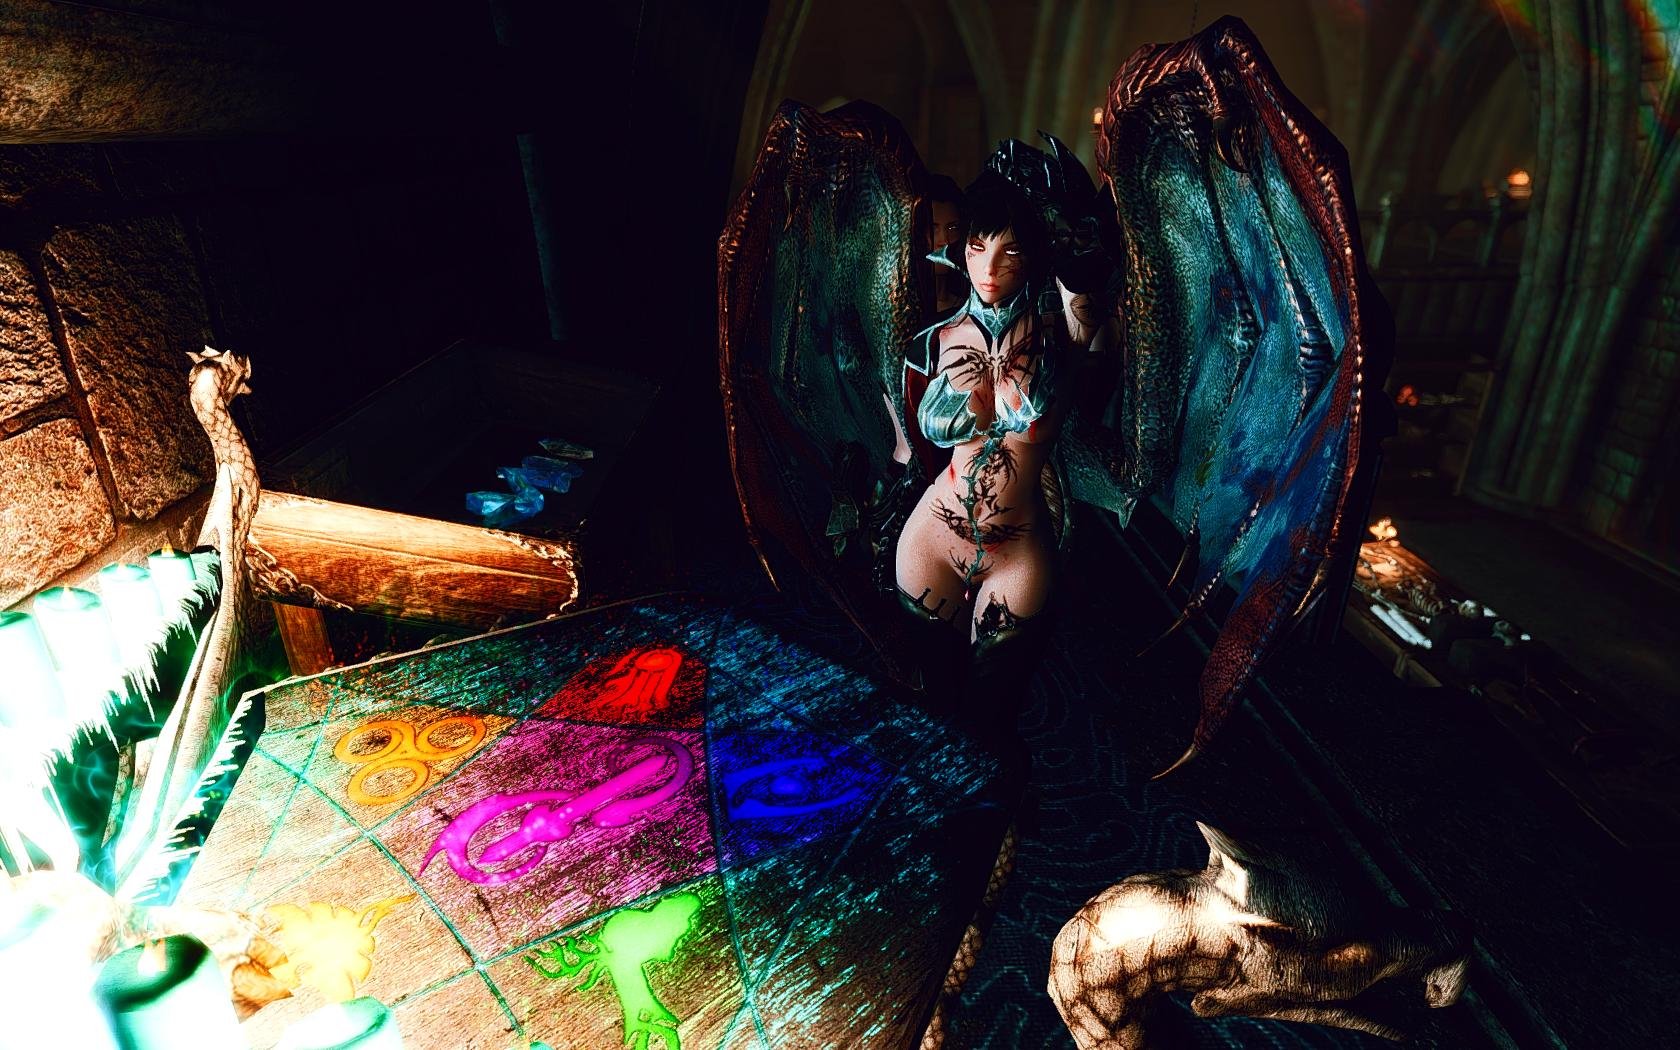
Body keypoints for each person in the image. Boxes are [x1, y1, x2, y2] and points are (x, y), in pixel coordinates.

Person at [893, 173, 1102, 712]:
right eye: (977, 246)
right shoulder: (933, 340)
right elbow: (909, 442)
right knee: (934, 704)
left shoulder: (1062, 333)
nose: (988, 268)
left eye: (1010, 252)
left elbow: (1086, 282)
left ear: (1031, 256)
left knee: (992, 714)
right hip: (933, 537)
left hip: (1016, 550)